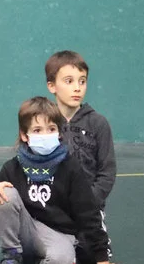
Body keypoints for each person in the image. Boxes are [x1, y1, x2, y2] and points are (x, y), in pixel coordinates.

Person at [0, 97, 125, 264]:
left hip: (59, 234)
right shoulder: (12, 168)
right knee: (4, 191)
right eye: (37, 130)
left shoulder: (70, 167)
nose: (45, 135)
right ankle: (11, 256)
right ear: (24, 135)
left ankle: (32, 262)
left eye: (51, 129)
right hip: (25, 229)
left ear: (59, 133)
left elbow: (87, 211)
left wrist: (101, 256)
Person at [45, 50, 116, 212]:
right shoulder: (43, 123)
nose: (77, 88)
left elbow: (107, 173)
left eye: (82, 81)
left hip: (89, 211)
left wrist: (88, 202)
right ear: (52, 86)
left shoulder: (98, 123)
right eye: (69, 81)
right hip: (51, 211)